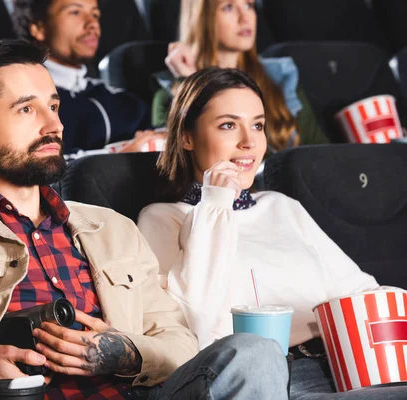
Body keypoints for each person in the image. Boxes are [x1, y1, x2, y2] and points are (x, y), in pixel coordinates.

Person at [0, 40, 290, 400]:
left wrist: (124, 353)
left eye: (53, 106)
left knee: (255, 353)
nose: (54, 123)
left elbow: (182, 343)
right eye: (26, 109)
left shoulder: (112, 227)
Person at [138, 66, 407, 399]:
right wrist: (215, 204)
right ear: (187, 137)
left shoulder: (281, 206)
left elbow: (361, 291)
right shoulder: (163, 218)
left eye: (258, 125)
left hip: (347, 364)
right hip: (272, 378)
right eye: (228, 125)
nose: (249, 142)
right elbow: (197, 329)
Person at [152, 0, 328, 152]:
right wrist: (190, 82)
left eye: (248, 5)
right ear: (201, 17)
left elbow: (319, 151)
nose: (245, 18)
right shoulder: (168, 96)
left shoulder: (280, 78)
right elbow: (189, 165)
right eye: (228, 7)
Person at [12, 0, 166, 158]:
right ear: (39, 28)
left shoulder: (120, 100)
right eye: (75, 12)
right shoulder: (22, 103)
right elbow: (38, 165)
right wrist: (118, 160)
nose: (92, 23)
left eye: (95, 14)